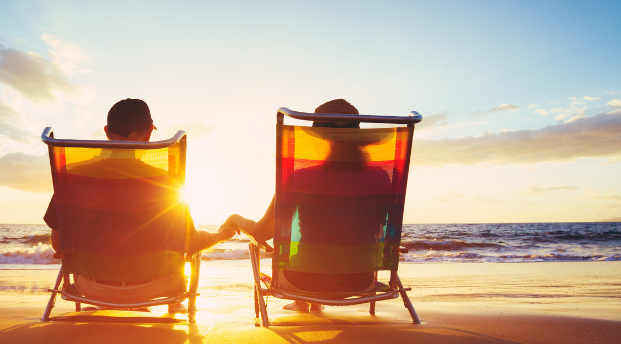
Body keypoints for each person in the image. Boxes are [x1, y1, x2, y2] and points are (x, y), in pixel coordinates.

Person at [43, 98, 236, 309]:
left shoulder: (72, 178)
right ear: (148, 134)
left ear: (106, 131)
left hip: (90, 288)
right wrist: (221, 235)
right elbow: (189, 244)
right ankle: (174, 307)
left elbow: (58, 244)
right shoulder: (168, 183)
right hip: (158, 286)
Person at [227, 99, 390, 312]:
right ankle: (308, 301)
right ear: (358, 138)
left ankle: (303, 300)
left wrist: (234, 219)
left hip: (303, 281)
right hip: (360, 279)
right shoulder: (381, 178)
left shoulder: (300, 178)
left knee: (306, 257)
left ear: (322, 140)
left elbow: (262, 232)